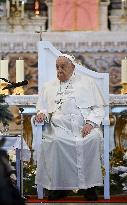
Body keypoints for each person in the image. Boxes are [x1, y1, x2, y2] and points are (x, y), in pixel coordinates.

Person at [35, 54, 105, 201]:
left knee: (92, 139)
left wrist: (90, 123)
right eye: (57, 67)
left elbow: (99, 108)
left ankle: (90, 187)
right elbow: (43, 108)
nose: (59, 70)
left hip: (84, 127)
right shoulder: (49, 87)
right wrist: (42, 115)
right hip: (59, 128)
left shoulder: (88, 83)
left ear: (73, 67)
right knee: (55, 142)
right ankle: (59, 188)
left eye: (63, 67)